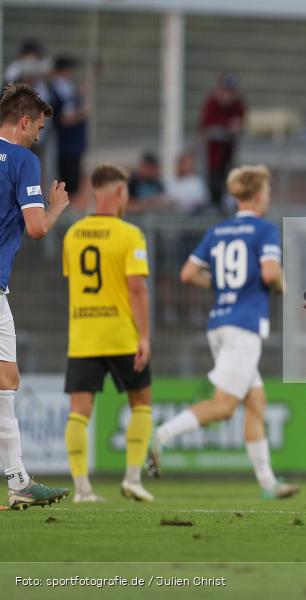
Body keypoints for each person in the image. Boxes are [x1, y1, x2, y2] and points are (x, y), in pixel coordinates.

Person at [150, 165, 298, 500]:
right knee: (225, 406)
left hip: (219, 322)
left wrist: (219, 285)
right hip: (243, 327)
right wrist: (281, 283)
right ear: (259, 195)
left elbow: (188, 273)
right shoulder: (264, 230)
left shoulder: (218, 231)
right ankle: (161, 436)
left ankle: (267, 484)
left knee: (256, 402)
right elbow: (270, 272)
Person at [62, 164, 155, 503]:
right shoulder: (130, 235)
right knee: (141, 401)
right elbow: (137, 289)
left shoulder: (73, 234)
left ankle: (82, 489)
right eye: (126, 191)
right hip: (120, 333)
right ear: (118, 193)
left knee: (79, 410)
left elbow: (73, 280)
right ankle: (132, 478)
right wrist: (143, 336)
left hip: (83, 334)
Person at [0, 83, 70, 509]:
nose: (37, 137)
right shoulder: (22, 160)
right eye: (38, 129)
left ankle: (18, 479)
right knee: (7, 381)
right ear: (23, 121)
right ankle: (18, 480)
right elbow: (37, 227)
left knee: (6, 379)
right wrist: (56, 205)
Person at [200, 74, 246, 209]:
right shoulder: (211, 103)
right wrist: (226, 128)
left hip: (229, 158)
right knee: (214, 191)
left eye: (231, 91)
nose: (228, 95)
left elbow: (241, 123)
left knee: (232, 189)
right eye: (225, 91)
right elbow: (205, 128)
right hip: (213, 159)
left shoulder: (238, 105)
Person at [50, 56, 90, 201]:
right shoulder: (57, 90)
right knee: (67, 181)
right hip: (66, 144)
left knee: (74, 179)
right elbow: (64, 119)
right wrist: (82, 113)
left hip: (73, 144)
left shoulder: (68, 89)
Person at [166, 150, 209, 215]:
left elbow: (202, 200)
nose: (186, 165)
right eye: (184, 163)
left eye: (189, 163)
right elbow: (167, 199)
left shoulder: (197, 182)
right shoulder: (171, 181)